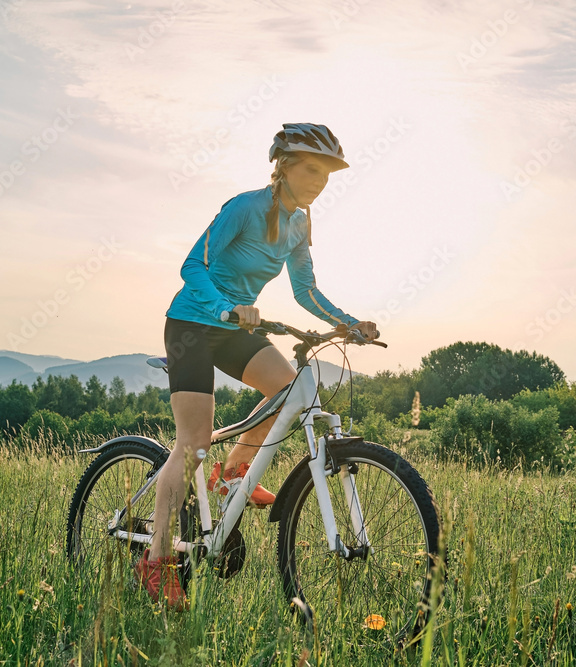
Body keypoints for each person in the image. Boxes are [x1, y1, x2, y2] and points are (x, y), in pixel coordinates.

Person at [134, 123, 379, 609]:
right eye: (312, 168)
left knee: (288, 388)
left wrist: (348, 323)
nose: (320, 180)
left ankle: (232, 473)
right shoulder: (244, 207)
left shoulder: (300, 223)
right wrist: (228, 305)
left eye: (327, 173)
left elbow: (304, 290)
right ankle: (155, 562)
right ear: (284, 166)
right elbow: (192, 266)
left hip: (235, 328)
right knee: (192, 444)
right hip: (192, 324)